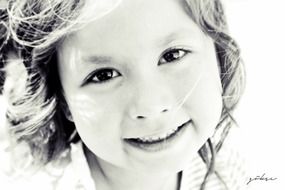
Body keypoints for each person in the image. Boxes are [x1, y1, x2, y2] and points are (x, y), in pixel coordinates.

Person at [0, 0, 247, 189]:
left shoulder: (233, 174)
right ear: (63, 99)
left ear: (218, 52)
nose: (150, 106)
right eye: (104, 75)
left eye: (172, 55)